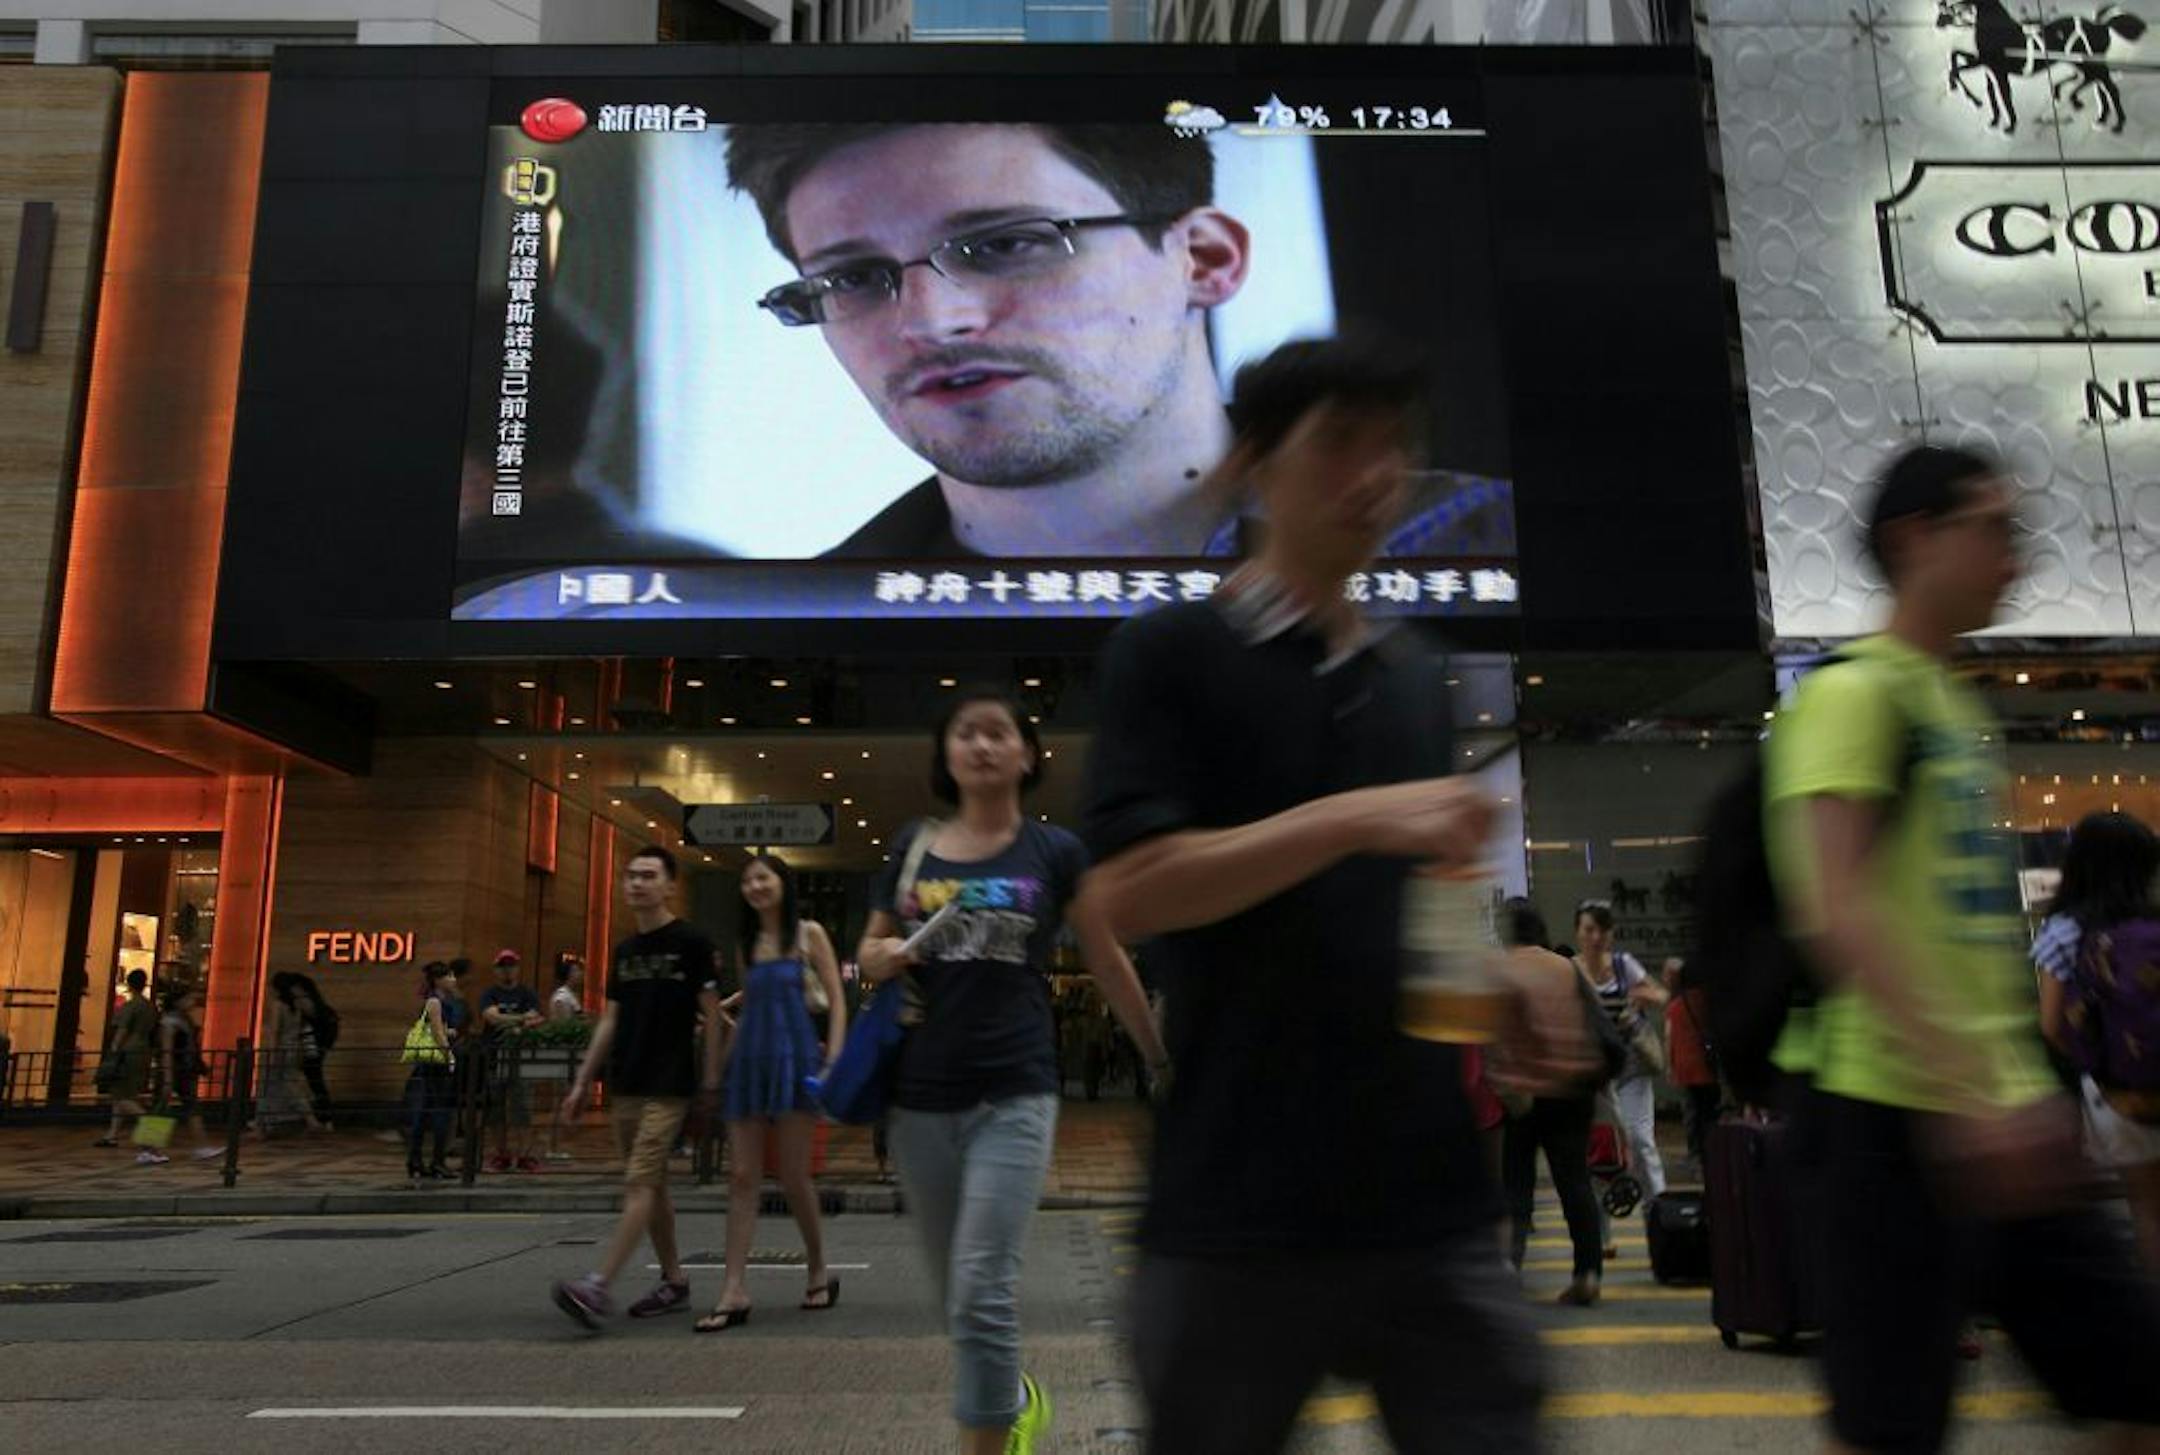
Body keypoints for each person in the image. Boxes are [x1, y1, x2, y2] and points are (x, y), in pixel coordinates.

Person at [1079, 335, 1593, 1454]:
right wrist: (1355, 819)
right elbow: (1131, 892)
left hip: (1430, 1197)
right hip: (1237, 1208)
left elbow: (1423, 907)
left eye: (1393, 448)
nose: (1374, 477)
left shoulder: (1413, 674)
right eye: (1338, 445)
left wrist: (1503, 979)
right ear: (1252, 465)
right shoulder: (1173, 652)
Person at [1768, 443, 2160, 1455]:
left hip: (1998, 1109)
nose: (2015, 555)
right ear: (1914, 541)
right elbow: (1835, 904)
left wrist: (2015, 1087)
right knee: (1895, 1427)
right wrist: (1968, 1091)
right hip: (1884, 1115)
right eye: (1993, 528)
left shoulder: (1948, 704)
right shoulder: (1853, 697)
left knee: (2131, 1377)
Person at [857, 687, 1167, 1455]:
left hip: (1017, 1087)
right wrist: (882, 958)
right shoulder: (912, 844)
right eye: (968, 733)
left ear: (1028, 755)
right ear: (948, 754)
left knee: (982, 1290)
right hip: (921, 1097)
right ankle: (1013, 1396)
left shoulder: (1055, 852)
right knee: (957, 1296)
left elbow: (1104, 954)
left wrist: (1161, 1058)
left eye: (1001, 733)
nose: (984, 744)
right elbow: (865, 954)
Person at [552, 846, 725, 1329]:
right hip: (626, 1081)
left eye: (648, 876)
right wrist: (583, 1081)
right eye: (630, 876)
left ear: (670, 885)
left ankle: (597, 1284)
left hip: (669, 1083)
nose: (636, 884)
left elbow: (713, 1016)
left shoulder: (692, 942)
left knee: (640, 1182)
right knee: (654, 1187)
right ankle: (674, 1281)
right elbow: (611, 1019)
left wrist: (711, 1079)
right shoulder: (625, 951)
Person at [697, 853, 848, 1333]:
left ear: (782, 882)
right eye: (747, 880)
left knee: (792, 1175)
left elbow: (837, 1002)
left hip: (797, 1059)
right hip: (751, 1061)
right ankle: (733, 1288)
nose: (755, 885)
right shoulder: (746, 942)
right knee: (742, 1175)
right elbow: (746, 1010)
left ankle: (819, 1266)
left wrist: (834, 1061)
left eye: (763, 877)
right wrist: (717, 1071)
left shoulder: (810, 934)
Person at [2033, 811, 2160, 1273]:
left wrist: (2097, 1062)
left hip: (2118, 1091)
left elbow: (2050, 1024)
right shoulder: (2153, 923)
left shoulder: (2066, 928)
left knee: (2146, 1206)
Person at [1499, 900, 1616, 1306]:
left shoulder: (1504, 970)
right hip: (1573, 1089)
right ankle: (1587, 1274)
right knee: (1574, 1184)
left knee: (1516, 1186)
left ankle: (1510, 1268)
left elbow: (1494, 1037)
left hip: (1525, 1094)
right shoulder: (1568, 968)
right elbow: (1598, 1021)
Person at [1574, 900, 1668, 1203]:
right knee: (1600, 1148)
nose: (1595, 937)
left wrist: (1641, 995)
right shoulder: (1572, 971)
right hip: (1594, 1074)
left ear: (1611, 934)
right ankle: (1604, 1229)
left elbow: (1660, 994)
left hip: (1631, 1066)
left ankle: (1658, 1211)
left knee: (1640, 1140)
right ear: (1578, 932)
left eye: (1602, 930)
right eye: (1589, 929)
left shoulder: (1622, 965)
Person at [478, 949, 545, 1173]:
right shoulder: (489, 993)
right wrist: (520, 1019)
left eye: (512, 965)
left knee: (523, 1109)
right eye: (503, 966)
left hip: (520, 1059)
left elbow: (536, 1019)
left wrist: (508, 1019)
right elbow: (490, 1017)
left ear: (517, 968)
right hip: (494, 1058)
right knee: (496, 1109)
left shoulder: (528, 993)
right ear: (496, 970)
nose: (508, 970)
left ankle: (524, 1156)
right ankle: (502, 1154)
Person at [1663, 956, 1720, 1182]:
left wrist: (1669, 1066)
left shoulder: (1675, 1006)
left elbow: (1669, 1038)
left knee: (1692, 1114)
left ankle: (1696, 1157)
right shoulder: (1708, 1001)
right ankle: (1713, 1155)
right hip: (1707, 1068)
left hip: (1686, 1069)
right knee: (1710, 1113)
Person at [403, 962, 461, 1182]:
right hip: (436, 1063)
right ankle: (436, 1162)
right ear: (438, 980)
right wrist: (450, 1057)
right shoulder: (435, 1002)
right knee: (439, 1111)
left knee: (427, 1111)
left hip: (431, 1064)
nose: (453, 979)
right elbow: (437, 1032)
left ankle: (417, 1160)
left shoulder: (438, 1002)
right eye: (449, 976)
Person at [94, 969, 159, 1159]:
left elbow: (122, 1030)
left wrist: (114, 1050)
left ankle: (149, 1126)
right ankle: (112, 1135)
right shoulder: (150, 1007)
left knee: (123, 1095)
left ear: (129, 985)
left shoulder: (130, 1006)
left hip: (127, 1052)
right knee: (122, 1093)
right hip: (144, 1051)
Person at [153, 984, 221, 1161]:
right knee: (162, 1108)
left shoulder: (183, 1019)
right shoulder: (169, 1021)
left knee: (190, 1107)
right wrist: (167, 1076)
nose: (193, 1001)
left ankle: (201, 1145)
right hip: (174, 1068)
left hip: (184, 1069)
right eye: (189, 998)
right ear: (179, 1001)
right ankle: (151, 1150)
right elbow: (167, 1050)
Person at [258, 973, 328, 1139]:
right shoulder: (297, 1006)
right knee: (292, 1085)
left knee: (268, 1087)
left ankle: (262, 1126)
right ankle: (310, 1120)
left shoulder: (278, 1005)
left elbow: (275, 1031)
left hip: (280, 1050)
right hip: (294, 1049)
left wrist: (272, 1052)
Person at [546, 953, 587, 1163]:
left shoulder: (572, 995)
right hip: (564, 1055)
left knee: (567, 1099)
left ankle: (560, 1145)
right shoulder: (562, 997)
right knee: (560, 1100)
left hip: (574, 1055)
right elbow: (563, 1027)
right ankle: (553, 1146)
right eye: (576, 971)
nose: (580, 974)